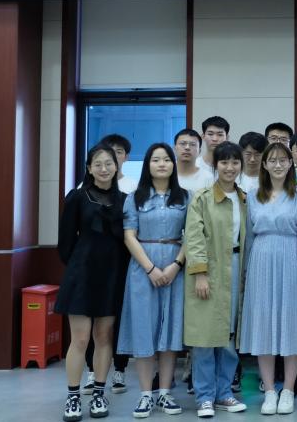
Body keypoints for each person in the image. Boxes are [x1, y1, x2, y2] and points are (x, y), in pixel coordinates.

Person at [239, 141, 297, 415]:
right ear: (264, 164)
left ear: (290, 164)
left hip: (291, 260)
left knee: (291, 322)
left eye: (282, 160)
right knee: (263, 324)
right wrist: (245, 272)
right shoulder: (254, 195)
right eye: (272, 160)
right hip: (261, 260)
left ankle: (287, 390)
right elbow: (249, 237)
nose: (277, 165)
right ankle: (269, 391)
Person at [57, 144, 128, 422]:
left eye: (108, 163)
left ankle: (100, 393)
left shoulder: (125, 200)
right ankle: (73, 396)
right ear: (89, 168)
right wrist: (79, 264)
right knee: (80, 338)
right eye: (97, 164)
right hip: (82, 274)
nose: (103, 168)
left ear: (116, 166)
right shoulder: (77, 197)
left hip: (112, 275)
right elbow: (65, 243)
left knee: (104, 337)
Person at [118, 143, 189, 418]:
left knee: (170, 332)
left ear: (173, 164)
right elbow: (129, 237)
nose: (162, 164)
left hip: (175, 270)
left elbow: (192, 235)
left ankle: (165, 393)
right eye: (156, 160)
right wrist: (150, 269)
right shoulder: (134, 198)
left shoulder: (186, 197)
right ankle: (146, 394)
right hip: (142, 271)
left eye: (166, 159)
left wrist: (176, 265)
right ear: (147, 165)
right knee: (144, 331)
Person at [184, 141, 249, 418]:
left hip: (236, 267)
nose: (230, 167)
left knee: (229, 336)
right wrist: (200, 273)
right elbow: (194, 237)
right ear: (215, 165)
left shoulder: (245, 199)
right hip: (209, 270)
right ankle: (204, 397)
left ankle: (224, 394)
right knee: (204, 336)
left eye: (235, 162)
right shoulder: (202, 198)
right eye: (224, 162)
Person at [175, 129, 215, 193]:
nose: (187, 147)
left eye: (192, 144)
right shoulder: (167, 174)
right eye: (183, 143)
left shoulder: (207, 178)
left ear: (199, 151)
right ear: (174, 148)